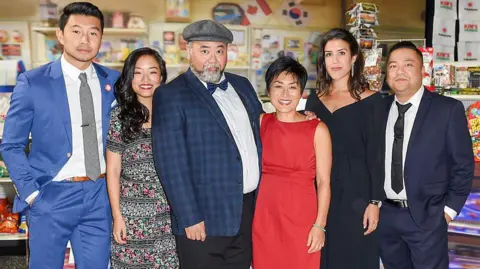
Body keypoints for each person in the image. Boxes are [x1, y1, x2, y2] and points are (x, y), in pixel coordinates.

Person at [0, 2, 119, 269]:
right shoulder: (33, 82)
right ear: (60, 35)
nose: (85, 40)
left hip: (99, 195)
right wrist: (32, 195)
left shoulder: (113, 81)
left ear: (101, 37)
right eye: (76, 31)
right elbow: (11, 145)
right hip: (51, 193)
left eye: (93, 32)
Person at [151, 20, 263, 269]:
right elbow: (171, 163)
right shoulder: (170, 95)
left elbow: (262, 131)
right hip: (202, 217)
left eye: (219, 50)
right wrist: (189, 217)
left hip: (246, 212)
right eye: (204, 50)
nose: (213, 58)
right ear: (189, 51)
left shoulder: (243, 86)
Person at [377, 41, 474, 269]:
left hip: (427, 217)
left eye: (408, 65)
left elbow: (463, 165)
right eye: (392, 66)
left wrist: (447, 213)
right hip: (386, 217)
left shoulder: (447, 110)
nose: (399, 71)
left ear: (423, 71)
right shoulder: (378, 110)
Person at [305, 28, 385, 269]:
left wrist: (374, 202)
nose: (335, 60)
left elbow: (377, 155)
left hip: (358, 198)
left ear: (353, 58)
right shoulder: (314, 100)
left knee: (356, 259)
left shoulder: (372, 100)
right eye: (329, 55)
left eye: (341, 53)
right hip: (320, 195)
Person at [252, 56, 331, 269]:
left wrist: (320, 225)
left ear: (302, 92)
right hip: (265, 218)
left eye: (292, 87)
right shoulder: (261, 122)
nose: (285, 94)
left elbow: (324, 182)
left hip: (303, 220)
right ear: (268, 91)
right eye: (278, 87)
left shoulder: (317, 129)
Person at [106, 47, 179, 269]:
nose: (145, 79)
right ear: (129, 77)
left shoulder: (174, 113)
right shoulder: (120, 115)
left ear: (162, 76)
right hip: (132, 218)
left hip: (169, 217)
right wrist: (117, 216)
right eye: (138, 72)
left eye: (152, 72)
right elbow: (113, 170)